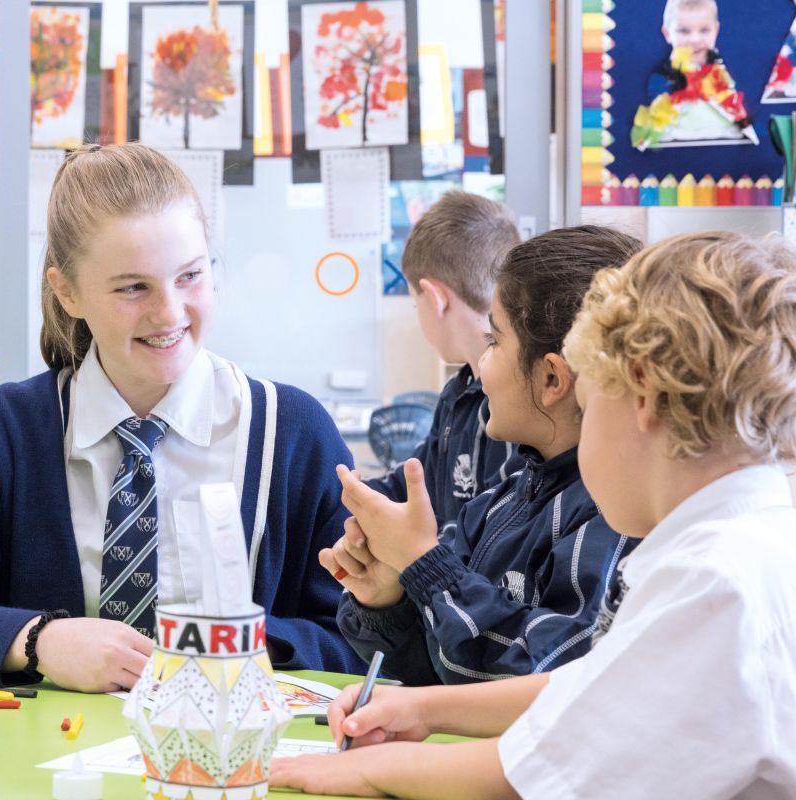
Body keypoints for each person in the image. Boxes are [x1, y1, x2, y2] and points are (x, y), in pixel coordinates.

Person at [270, 230, 796, 798]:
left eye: (592, 405)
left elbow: (538, 769)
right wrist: (424, 708)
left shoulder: (712, 580)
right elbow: (591, 688)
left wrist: (358, 770)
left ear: (640, 398)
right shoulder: (737, 541)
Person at [0, 142, 364, 693]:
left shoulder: (294, 434)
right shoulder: (10, 431)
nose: (169, 313)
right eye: (133, 287)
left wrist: (236, 644)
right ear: (67, 292)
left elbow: (362, 637)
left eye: (189, 276)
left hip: (235, 764)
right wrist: (34, 639)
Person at [326, 227, 641, 684]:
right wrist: (388, 597)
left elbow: (554, 678)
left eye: (493, 342)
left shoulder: (614, 512)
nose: (480, 366)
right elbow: (436, 669)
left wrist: (421, 561)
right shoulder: (508, 494)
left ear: (552, 380)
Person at [365, 190, 524, 527]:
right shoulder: (458, 392)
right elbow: (412, 485)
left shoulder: (516, 403)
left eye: (414, 301)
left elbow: (487, 534)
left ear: (435, 298)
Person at [631, 0, 757, 150]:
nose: (695, 39)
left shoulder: (719, 68)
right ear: (667, 33)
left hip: (721, 136)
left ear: (716, 31)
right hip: (678, 136)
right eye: (684, 31)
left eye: (704, 30)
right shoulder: (665, 74)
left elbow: (730, 97)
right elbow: (659, 103)